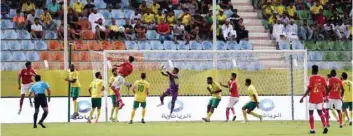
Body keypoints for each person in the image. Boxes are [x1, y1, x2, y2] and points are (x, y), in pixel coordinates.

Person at [300, 65, 328, 134]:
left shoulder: (311, 78)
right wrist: (326, 96)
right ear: (317, 70)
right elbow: (327, 88)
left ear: (312, 70)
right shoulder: (322, 78)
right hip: (320, 98)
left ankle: (312, 129)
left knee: (311, 114)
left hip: (312, 98)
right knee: (320, 113)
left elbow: (309, 89)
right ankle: (325, 126)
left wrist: (303, 97)